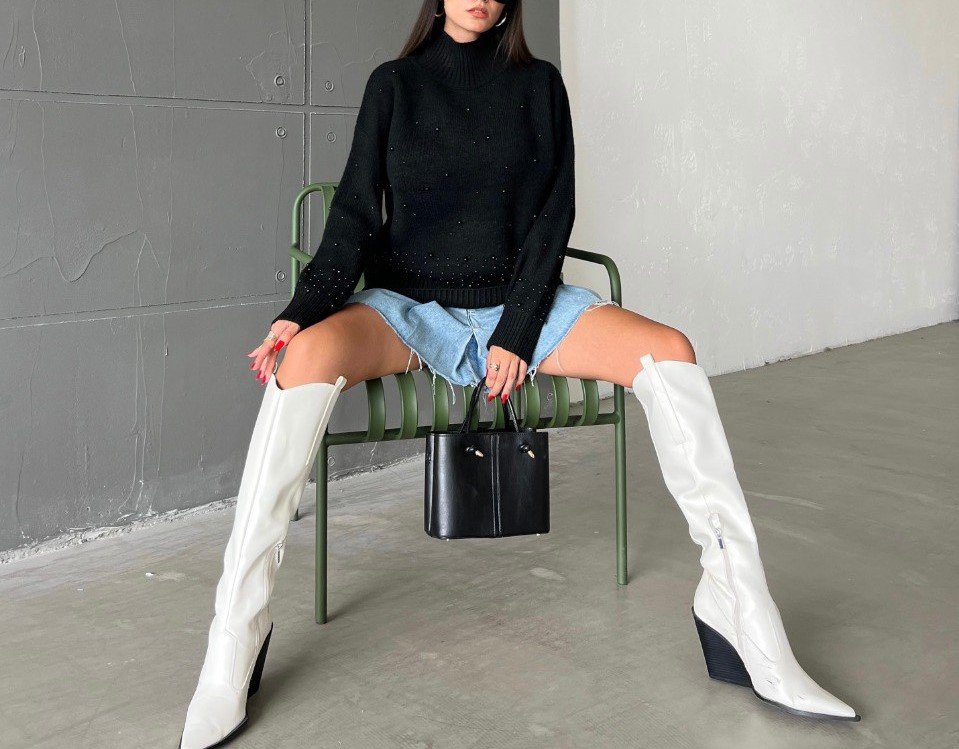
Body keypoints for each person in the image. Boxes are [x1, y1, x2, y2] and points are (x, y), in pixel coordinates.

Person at [178, 1, 860, 746]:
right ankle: (236, 631)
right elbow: (353, 217)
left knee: (669, 351)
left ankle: (740, 604)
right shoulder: (394, 85)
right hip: (411, 308)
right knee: (305, 356)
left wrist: (517, 329)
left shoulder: (539, 87)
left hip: (520, 304)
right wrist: (301, 310)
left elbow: (552, 217)